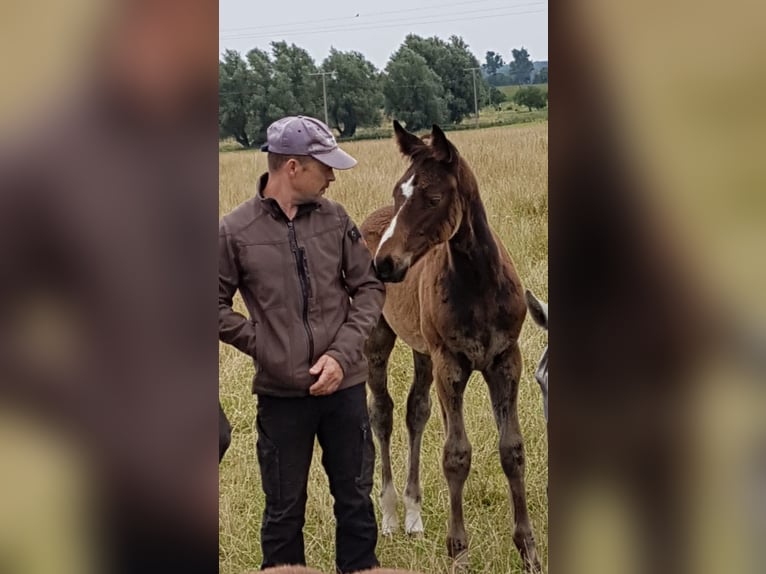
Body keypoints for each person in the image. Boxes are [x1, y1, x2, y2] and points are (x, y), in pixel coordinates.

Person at [218, 115, 385, 573]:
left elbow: (369, 289)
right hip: (281, 397)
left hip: (345, 389)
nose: (333, 175)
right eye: (324, 166)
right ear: (292, 167)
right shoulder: (234, 231)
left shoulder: (336, 221)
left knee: (355, 501)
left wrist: (340, 354)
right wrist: (267, 346)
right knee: (282, 512)